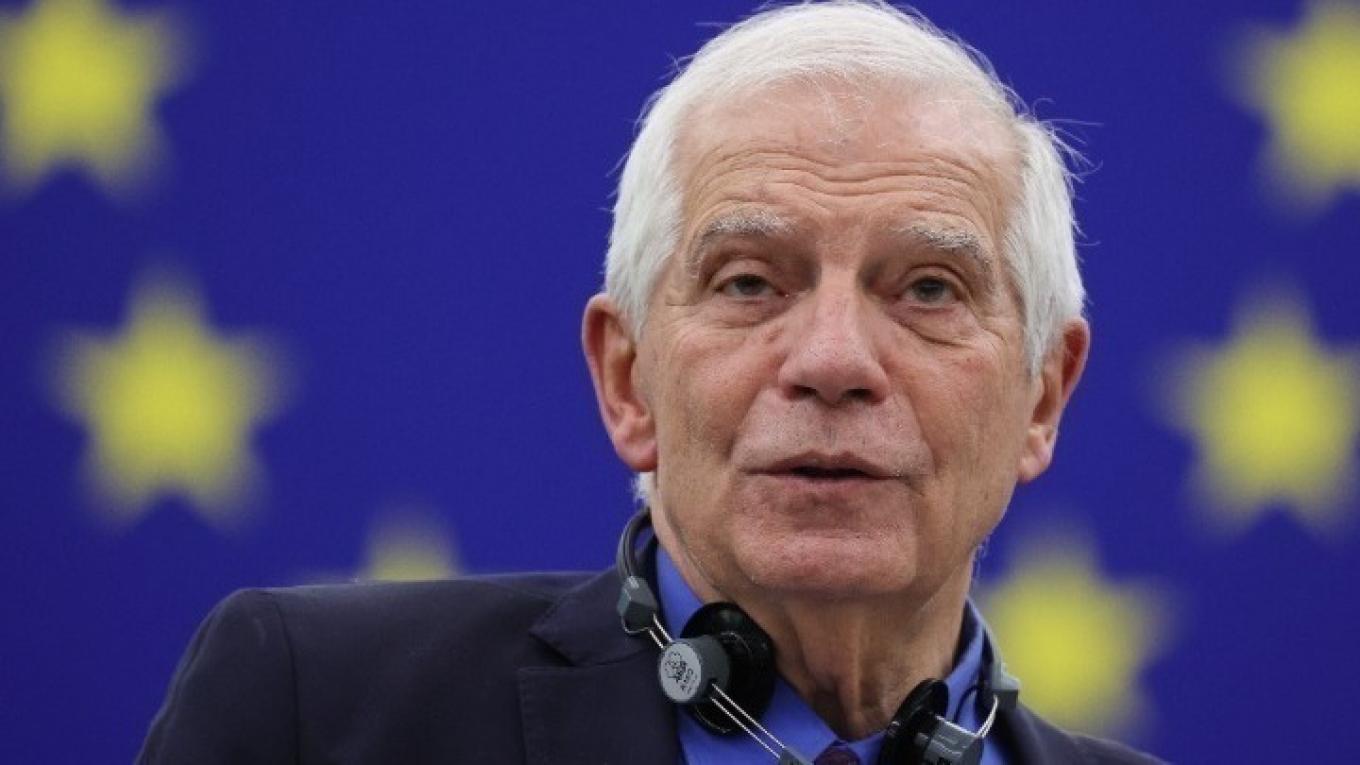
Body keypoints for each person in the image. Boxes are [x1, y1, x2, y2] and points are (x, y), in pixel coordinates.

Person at [138, 2, 1163, 763]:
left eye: (929, 288)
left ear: (1042, 397)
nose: (834, 360)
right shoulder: (315, 714)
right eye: (749, 280)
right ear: (627, 380)